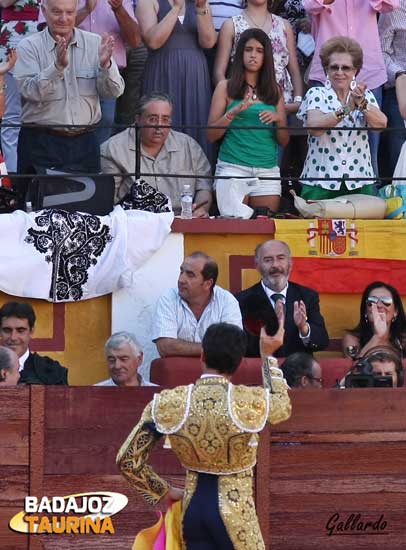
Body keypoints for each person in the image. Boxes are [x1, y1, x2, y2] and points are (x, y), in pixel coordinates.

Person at [117, 322, 292, 549]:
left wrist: (163, 490)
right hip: (236, 509)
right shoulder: (248, 401)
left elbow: (127, 460)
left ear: (203, 355)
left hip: (193, 510)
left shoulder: (170, 402)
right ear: (238, 362)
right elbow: (282, 406)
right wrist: (267, 356)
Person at [13, 0, 124, 204]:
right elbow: (29, 92)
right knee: (36, 214)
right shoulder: (28, 46)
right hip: (41, 143)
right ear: (44, 11)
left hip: (85, 144)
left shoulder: (94, 43)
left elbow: (115, 91)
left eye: (69, 12)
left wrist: (106, 65)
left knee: (85, 215)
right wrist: (56, 68)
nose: (63, 18)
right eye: (56, 12)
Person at [303, 0, 399, 177]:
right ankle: (322, 194)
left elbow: (391, 4)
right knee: (323, 140)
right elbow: (310, 5)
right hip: (329, 73)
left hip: (368, 73)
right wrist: (347, 109)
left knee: (371, 148)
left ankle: (369, 196)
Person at [208, 28, 289, 218]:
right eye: (248, 49)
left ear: (266, 56)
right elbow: (210, 135)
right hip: (232, 167)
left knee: (264, 228)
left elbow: (284, 141)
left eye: (259, 51)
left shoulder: (274, 90)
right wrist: (233, 113)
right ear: (240, 54)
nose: (253, 55)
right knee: (235, 229)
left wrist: (278, 119)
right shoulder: (225, 87)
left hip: (267, 170)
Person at [37, 0, 141, 145]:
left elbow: (135, 40)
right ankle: (68, 166)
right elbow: (46, 31)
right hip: (67, 71)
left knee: (105, 122)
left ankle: (96, 166)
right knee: (68, 125)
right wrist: (86, 9)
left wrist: (119, 9)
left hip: (106, 72)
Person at [297, 36, 387, 200]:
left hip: (360, 181)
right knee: (318, 227)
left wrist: (362, 104)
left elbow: (381, 123)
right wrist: (347, 109)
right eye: (334, 67)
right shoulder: (317, 93)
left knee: (362, 227)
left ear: (355, 71)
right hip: (320, 181)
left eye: (346, 68)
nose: (339, 72)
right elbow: (314, 127)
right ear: (326, 70)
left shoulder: (364, 95)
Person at [100, 92, 212, 216]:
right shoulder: (113, 149)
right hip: (135, 224)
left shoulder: (189, 146)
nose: (159, 126)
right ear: (138, 120)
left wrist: (201, 209)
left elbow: (204, 187)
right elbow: (107, 202)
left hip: (182, 221)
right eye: (152, 119)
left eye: (165, 119)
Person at [136, 0, 217, 161]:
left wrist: (201, 8)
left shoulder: (199, 3)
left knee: (196, 123)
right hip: (162, 72)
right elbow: (153, 41)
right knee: (160, 121)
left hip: (194, 75)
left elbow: (208, 42)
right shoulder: (148, 2)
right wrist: (176, 8)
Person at [236, 239, 329, 357]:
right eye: (268, 260)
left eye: (280, 258)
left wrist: (304, 328)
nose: (275, 265)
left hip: (298, 371)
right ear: (257, 266)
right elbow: (241, 346)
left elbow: (322, 342)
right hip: (261, 370)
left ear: (290, 263)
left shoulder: (307, 296)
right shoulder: (241, 301)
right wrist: (271, 329)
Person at [214, 0, 303, 111]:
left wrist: (297, 101)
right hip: (242, 104)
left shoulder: (284, 25)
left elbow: (294, 69)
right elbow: (219, 72)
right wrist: (230, 100)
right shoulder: (231, 25)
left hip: (281, 104)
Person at [152, 251, 243, 357]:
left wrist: (182, 348)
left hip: (215, 373)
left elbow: (232, 347)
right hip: (178, 372)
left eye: (190, 275)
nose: (181, 280)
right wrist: (214, 349)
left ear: (207, 284)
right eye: (181, 272)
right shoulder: (168, 298)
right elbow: (165, 347)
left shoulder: (227, 301)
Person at [0, 0, 40, 173]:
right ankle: (13, 177)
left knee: (43, 112)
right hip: (14, 39)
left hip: (45, 37)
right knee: (12, 115)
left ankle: (40, 175)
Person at [0, 301, 68, 385]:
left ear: (31, 331)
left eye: (20, 330)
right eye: (7, 330)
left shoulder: (53, 372)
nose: (13, 337)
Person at [343, 281, 406, 359]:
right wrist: (377, 337)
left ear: (395, 311)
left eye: (386, 301)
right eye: (372, 301)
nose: (379, 305)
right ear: (365, 311)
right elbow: (354, 367)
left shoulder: (403, 339)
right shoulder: (352, 338)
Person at [379, 0, 406, 179]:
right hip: (398, 91)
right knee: (396, 158)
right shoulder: (394, 5)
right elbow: (381, 51)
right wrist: (399, 74)